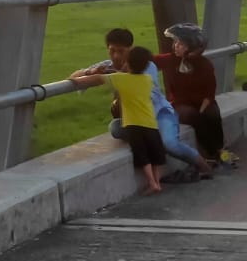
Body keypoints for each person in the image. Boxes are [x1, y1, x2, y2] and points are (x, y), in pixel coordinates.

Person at [73, 26, 210, 180]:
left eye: (121, 51)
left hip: (159, 114)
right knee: (115, 128)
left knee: (170, 144)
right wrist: (89, 72)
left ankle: (204, 167)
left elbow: (134, 84)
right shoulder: (107, 66)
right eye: (112, 51)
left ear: (130, 49)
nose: (116, 56)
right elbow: (74, 77)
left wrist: (110, 76)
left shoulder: (146, 65)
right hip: (137, 121)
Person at [72, 46, 166, 195]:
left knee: (142, 156)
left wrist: (75, 80)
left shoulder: (120, 79)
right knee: (155, 154)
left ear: (128, 63)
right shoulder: (147, 80)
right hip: (151, 123)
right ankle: (158, 182)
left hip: (134, 125)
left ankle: (152, 183)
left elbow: (97, 79)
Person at [155, 22, 236, 167]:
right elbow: (151, 60)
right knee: (193, 116)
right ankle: (212, 153)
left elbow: (209, 92)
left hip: (203, 102)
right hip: (180, 104)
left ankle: (220, 148)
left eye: (180, 44)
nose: (175, 46)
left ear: (191, 47)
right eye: (175, 43)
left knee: (212, 113)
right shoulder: (171, 60)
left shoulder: (205, 65)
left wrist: (203, 108)